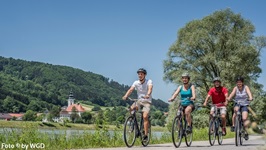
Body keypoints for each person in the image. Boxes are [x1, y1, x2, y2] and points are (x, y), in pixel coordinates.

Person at [122, 68, 153, 141]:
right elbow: (131, 90)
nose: (140, 75)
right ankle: (134, 126)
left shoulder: (149, 81)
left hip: (147, 101)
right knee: (131, 108)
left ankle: (145, 135)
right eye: (139, 74)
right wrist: (126, 95)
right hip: (139, 101)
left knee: (145, 116)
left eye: (141, 74)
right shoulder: (136, 82)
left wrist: (148, 94)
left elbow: (150, 88)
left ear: (144, 75)